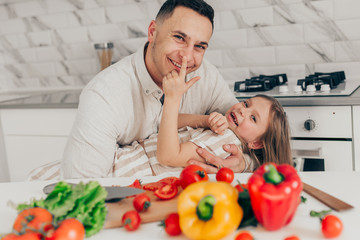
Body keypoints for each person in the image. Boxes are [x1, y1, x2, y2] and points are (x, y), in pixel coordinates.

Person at [61, 0, 239, 178]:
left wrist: (244, 163)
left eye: (199, 47)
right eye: (179, 38)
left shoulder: (207, 76)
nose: (187, 57)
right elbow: (80, 183)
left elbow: (255, 133)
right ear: (153, 32)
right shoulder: (104, 94)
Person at [156, 58, 293, 172]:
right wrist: (206, 121)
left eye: (253, 118)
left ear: (256, 143)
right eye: (246, 104)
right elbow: (168, 121)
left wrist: (172, 98)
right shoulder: (225, 128)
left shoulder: (224, 139)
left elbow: (169, 156)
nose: (242, 110)